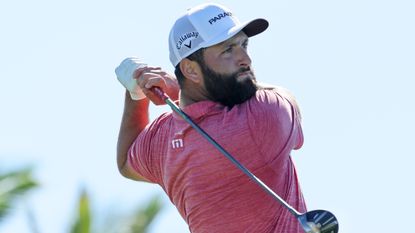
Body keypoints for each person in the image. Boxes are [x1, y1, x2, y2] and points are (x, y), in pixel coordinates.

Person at [116, 3, 306, 233]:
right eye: (228, 50)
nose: (245, 58)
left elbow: (126, 162)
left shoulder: (164, 141)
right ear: (191, 70)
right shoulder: (265, 115)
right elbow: (286, 97)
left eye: (243, 44)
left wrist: (135, 93)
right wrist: (176, 90)